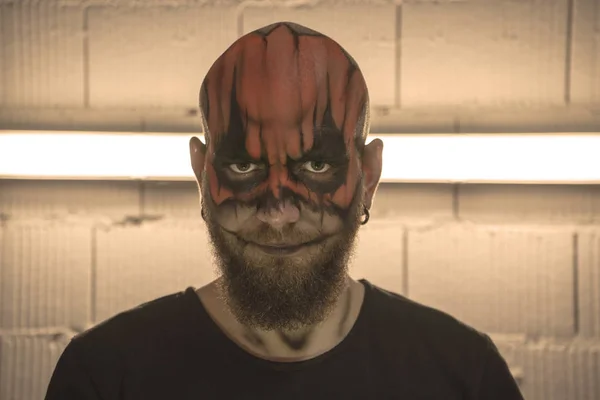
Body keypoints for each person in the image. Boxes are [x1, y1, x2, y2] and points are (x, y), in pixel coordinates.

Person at [45, 21, 524, 399]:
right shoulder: (105, 378)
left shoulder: (463, 375)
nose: (278, 213)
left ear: (369, 175)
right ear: (201, 172)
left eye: (316, 164)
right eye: (242, 164)